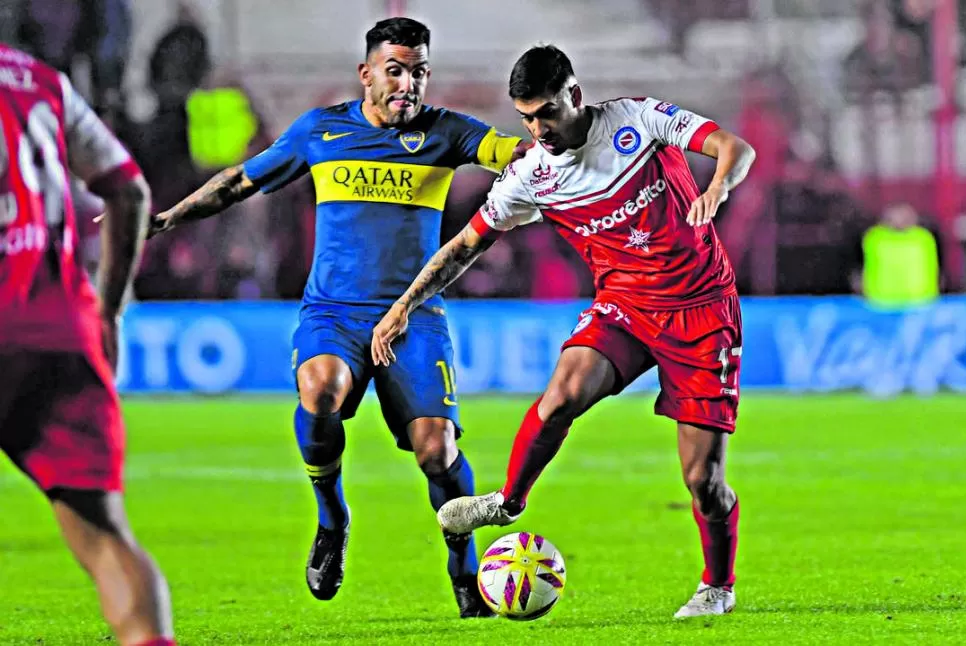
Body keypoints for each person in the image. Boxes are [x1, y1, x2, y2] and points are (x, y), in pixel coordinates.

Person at [147, 17, 525, 617]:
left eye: (419, 72)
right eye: (396, 70)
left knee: (437, 450)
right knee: (319, 389)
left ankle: (464, 562)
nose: (408, 84)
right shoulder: (321, 132)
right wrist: (168, 218)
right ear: (367, 72)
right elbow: (240, 182)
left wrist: (556, 140)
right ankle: (332, 519)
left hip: (414, 315)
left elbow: (514, 152)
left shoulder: (445, 133)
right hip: (335, 312)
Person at [372, 44, 757, 619]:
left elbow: (734, 147)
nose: (537, 128)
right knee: (560, 399)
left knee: (703, 480)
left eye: (546, 112)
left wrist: (717, 187)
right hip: (625, 306)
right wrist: (404, 304)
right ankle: (507, 503)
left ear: (574, 95)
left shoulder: (634, 119)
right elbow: (465, 247)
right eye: (526, 116)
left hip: (702, 310)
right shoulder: (531, 174)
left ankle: (717, 585)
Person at [0, 44, 175, 645]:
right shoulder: (37, 79)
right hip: (56, 330)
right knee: (104, 537)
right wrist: (108, 312)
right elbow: (128, 191)